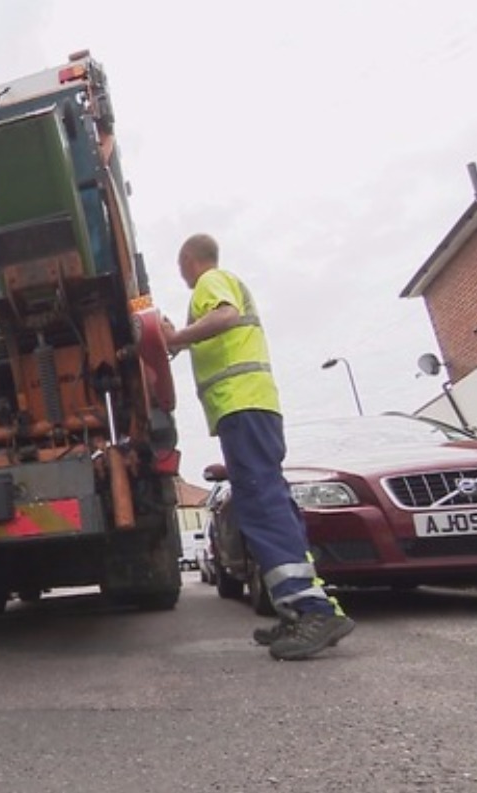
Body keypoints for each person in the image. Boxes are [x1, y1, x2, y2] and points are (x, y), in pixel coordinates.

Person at [160, 233, 354, 661]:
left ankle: (312, 610)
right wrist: (181, 341)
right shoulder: (220, 283)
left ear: (189, 260)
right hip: (253, 406)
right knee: (272, 502)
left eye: (180, 266)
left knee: (262, 504)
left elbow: (226, 317)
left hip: (242, 405)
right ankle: (303, 608)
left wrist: (175, 338)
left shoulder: (211, 281)